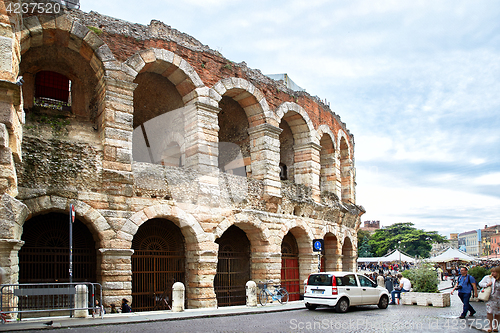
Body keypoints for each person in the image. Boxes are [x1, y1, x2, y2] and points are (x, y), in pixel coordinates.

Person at [479, 266, 500, 332]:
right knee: (489, 312)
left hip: (498, 299)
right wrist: (487, 284)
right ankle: (490, 326)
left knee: (498, 313)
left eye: (494, 272)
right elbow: (480, 283)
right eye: (492, 272)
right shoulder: (488, 278)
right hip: (490, 298)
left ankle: (496, 327)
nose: (492, 273)